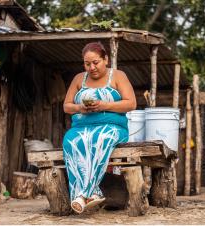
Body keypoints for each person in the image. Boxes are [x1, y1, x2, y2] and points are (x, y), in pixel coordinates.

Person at [62, 42, 137, 214]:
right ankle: (91, 194)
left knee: (102, 138)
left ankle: (84, 194)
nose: (92, 67)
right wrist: (80, 108)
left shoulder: (118, 76)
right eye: (87, 64)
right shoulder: (78, 79)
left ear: (105, 59)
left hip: (112, 128)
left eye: (96, 62)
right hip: (82, 127)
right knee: (70, 141)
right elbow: (66, 106)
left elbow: (131, 103)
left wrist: (104, 105)